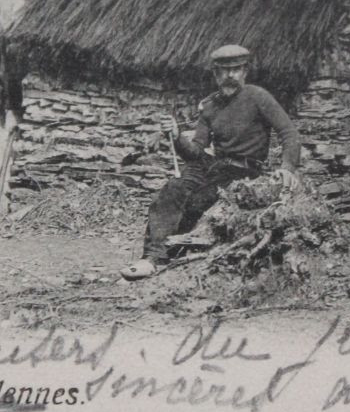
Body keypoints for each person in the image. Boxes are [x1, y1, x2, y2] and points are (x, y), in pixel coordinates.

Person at [121, 44, 302, 280]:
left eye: (235, 70)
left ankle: (175, 252)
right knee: (172, 190)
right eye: (224, 71)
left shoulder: (258, 96)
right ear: (215, 74)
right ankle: (152, 258)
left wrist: (288, 167)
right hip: (213, 165)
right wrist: (176, 136)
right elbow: (196, 152)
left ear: (245, 71)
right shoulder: (210, 106)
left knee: (198, 201)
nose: (230, 76)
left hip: (244, 170)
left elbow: (289, 133)